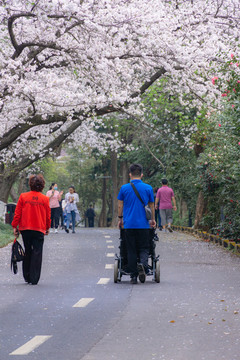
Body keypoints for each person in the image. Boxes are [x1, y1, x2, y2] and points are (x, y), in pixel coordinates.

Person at [117, 163, 156, 284]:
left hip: (129, 225)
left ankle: (133, 276)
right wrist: (153, 220)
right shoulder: (148, 188)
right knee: (144, 247)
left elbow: (120, 205)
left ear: (130, 174)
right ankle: (143, 265)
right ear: (142, 174)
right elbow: (151, 206)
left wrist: (120, 218)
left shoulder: (124, 188)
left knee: (131, 249)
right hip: (144, 225)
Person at [11, 174, 51, 285]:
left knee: (28, 250)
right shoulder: (45, 199)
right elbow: (48, 216)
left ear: (30, 184)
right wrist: (47, 227)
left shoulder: (23, 197)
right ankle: (34, 278)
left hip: (26, 229)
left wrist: (15, 226)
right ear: (42, 185)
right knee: (37, 252)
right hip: (39, 229)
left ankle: (27, 276)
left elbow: (17, 213)